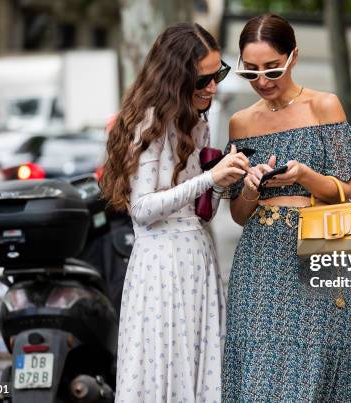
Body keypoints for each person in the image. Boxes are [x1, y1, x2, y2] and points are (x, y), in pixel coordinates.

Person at [222, 14, 351, 401]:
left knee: (317, 364)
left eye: (272, 68)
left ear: (294, 57)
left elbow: (349, 191)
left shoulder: (324, 106)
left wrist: (304, 176)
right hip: (259, 260)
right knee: (258, 369)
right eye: (250, 72)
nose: (263, 81)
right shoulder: (240, 123)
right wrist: (252, 188)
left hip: (319, 246)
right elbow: (238, 215)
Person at [100, 22, 249, 402]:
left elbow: (202, 213)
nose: (213, 87)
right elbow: (143, 209)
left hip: (198, 260)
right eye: (203, 80)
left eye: (218, 75)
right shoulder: (150, 121)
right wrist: (208, 178)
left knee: (198, 376)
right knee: (162, 375)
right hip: (161, 266)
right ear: (175, 79)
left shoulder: (197, 123)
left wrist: (225, 180)